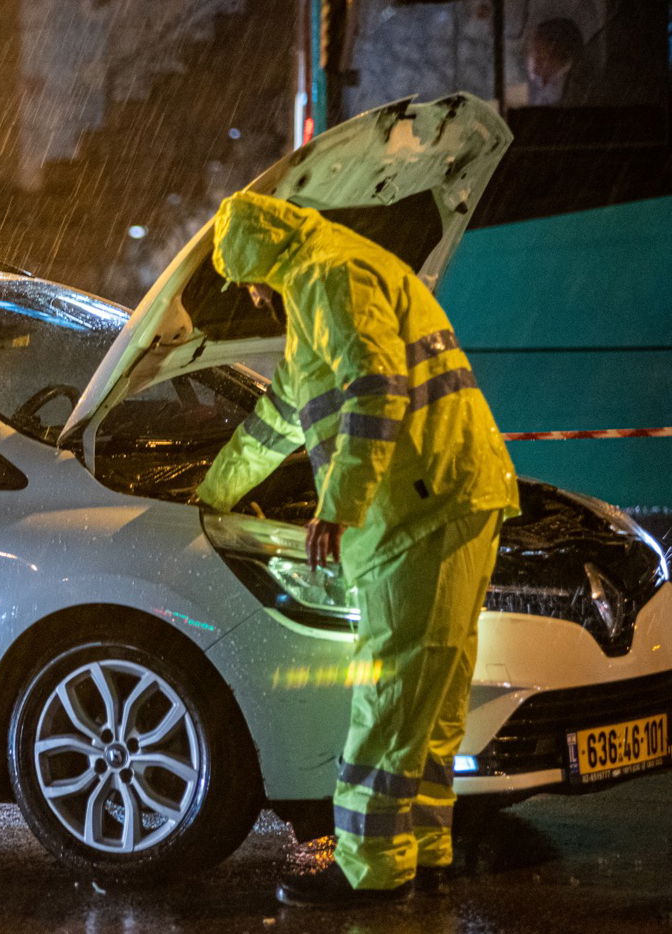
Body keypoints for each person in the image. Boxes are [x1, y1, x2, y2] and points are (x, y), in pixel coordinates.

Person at [194, 190, 520, 907]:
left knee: (390, 688)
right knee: (430, 690)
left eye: (246, 284)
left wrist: (338, 508)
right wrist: (215, 489)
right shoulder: (340, 271)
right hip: (462, 489)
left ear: (257, 259)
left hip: (418, 506)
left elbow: (377, 390)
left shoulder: (323, 277)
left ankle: (371, 865)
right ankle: (424, 848)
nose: (251, 300)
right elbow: (282, 413)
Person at [526, 17, 583, 106]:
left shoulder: (571, 88)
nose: (534, 60)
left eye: (542, 57)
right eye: (533, 52)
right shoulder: (536, 81)